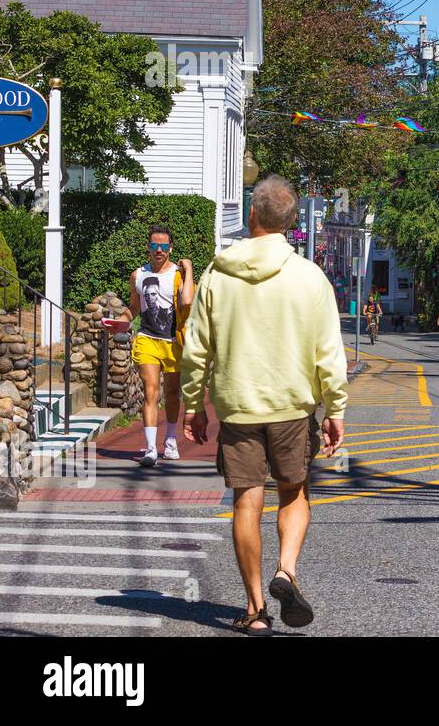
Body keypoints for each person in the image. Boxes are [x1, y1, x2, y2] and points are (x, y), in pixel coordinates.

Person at [180, 175, 347, 636]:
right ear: (293, 223)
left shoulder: (216, 274)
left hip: (238, 409)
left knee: (245, 503)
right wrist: (335, 408)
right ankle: (286, 570)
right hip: (293, 407)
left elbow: (196, 349)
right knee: (294, 492)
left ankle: (255, 610)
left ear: (252, 215)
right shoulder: (310, 278)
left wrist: (194, 404)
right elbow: (328, 351)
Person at [105, 226, 195, 467]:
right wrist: (121, 322)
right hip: (147, 339)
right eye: (154, 245)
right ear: (148, 247)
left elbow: (187, 301)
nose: (159, 250)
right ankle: (151, 449)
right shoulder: (138, 275)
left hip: (174, 342)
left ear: (170, 249)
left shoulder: (178, 274)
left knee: (173, 394)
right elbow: (134, 308)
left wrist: (189, 269)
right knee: (151, 390)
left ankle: (171, 440)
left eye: (164, 246)